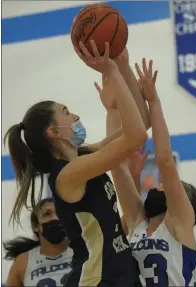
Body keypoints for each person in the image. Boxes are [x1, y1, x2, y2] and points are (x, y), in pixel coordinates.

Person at [4, 40, 148, 287]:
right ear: (54, 131)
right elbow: (136, 135)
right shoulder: (68, 176)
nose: (76, 116)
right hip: (98, 280)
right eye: (67, 112)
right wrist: (111, 71)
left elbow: (141, 124)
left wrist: (122, 66)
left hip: (118, 276)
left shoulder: (84, 156)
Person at [106, 58, 196, 286]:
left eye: (163, 186)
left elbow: (165, 162)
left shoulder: (180, 224)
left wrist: (154, 102)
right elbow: (117, 166)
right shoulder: (137, 222)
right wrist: (112, 109)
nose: (157, 186)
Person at [4, 197, 73, 287]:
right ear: (35, 226)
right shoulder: (23, 261)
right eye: (47, 214)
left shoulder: (83, 252)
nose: (55, 218)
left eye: (59, 213)